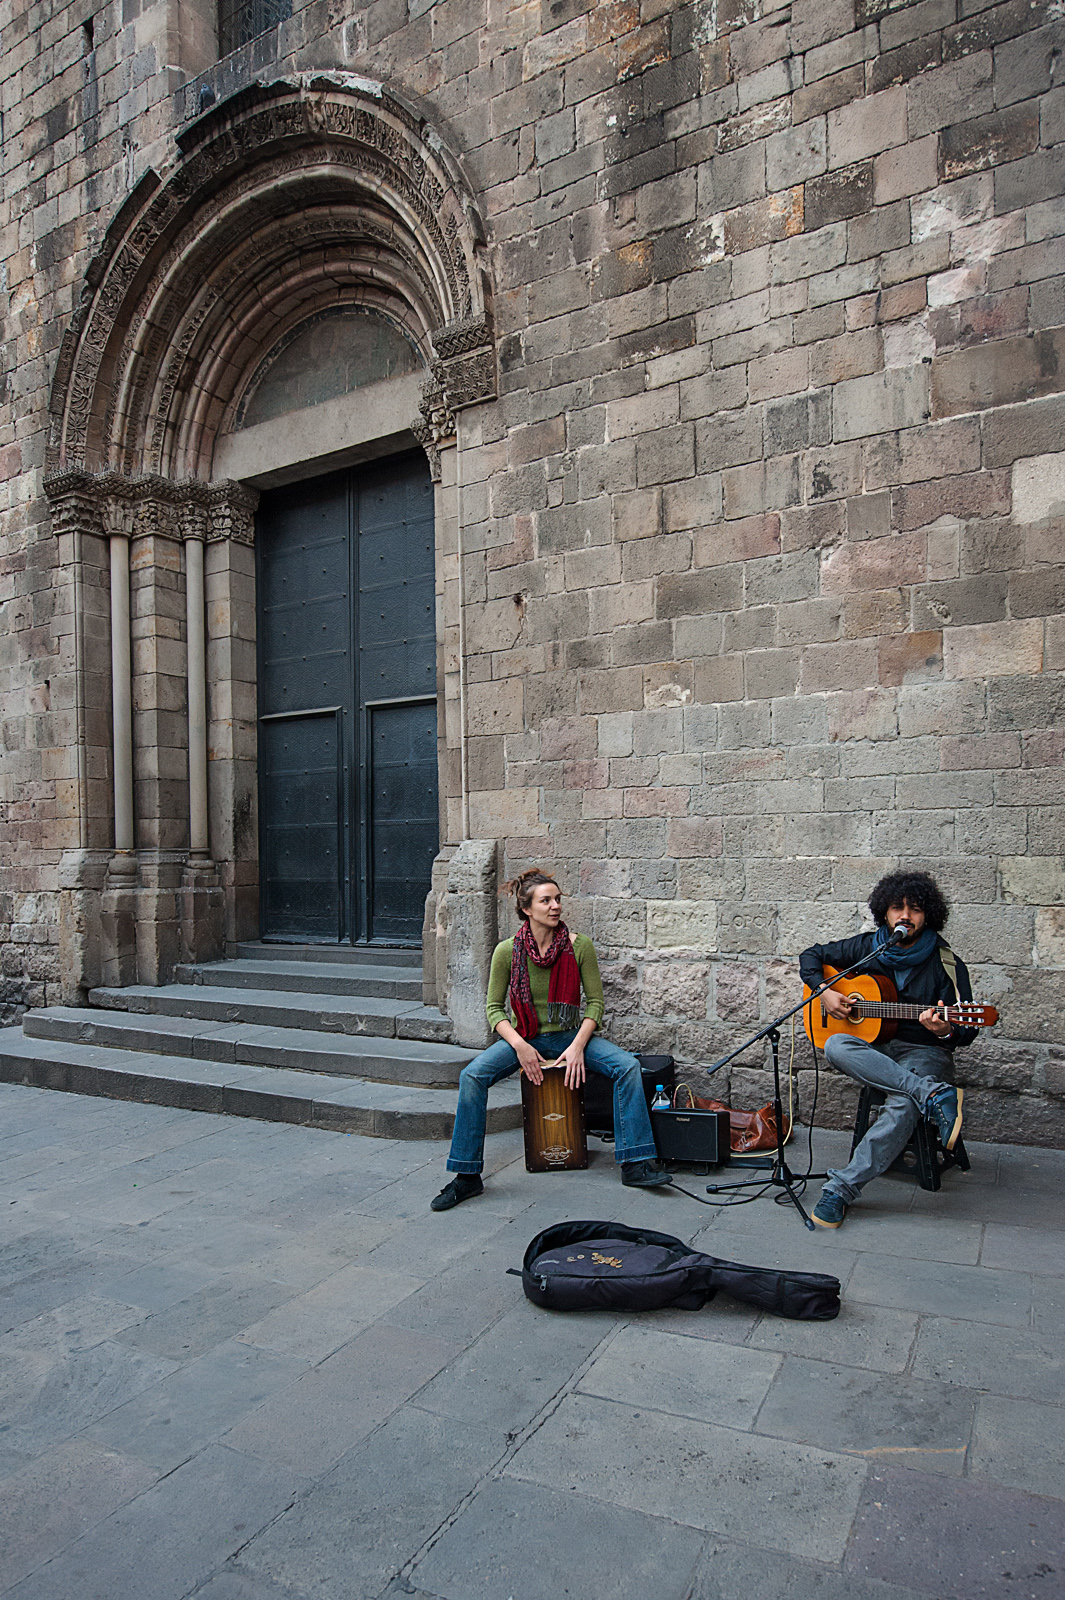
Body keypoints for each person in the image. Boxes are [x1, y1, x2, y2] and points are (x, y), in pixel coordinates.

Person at [431, 868, 671, 1211]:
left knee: (627, 1067)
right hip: (525, 1036)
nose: (555, 906)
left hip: (570, 1036)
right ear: (527, 908)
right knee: (472, 1076)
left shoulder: (579, 946)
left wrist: (577, 1047)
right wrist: (519, 1045)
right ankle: (466, 1177)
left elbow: (596, 1004)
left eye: (558, 899)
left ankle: (635, 1163)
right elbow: (494, 1009)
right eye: (546, 900)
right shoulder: (507, 951)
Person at [798, 870, 974, 1229]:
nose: (905, 916)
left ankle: (841, 1189)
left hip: (924, 1052)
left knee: (904, 1102)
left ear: (929, 915)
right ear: (885, 913)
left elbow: (966, 1029)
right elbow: (810, 956)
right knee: (834, 1043)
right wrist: (825, 992)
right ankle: (934, 1095)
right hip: (875, 1052)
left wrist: (945, 1031)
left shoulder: (947, 964)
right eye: (897, 908)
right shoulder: (868, 948)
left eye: (915, 909)